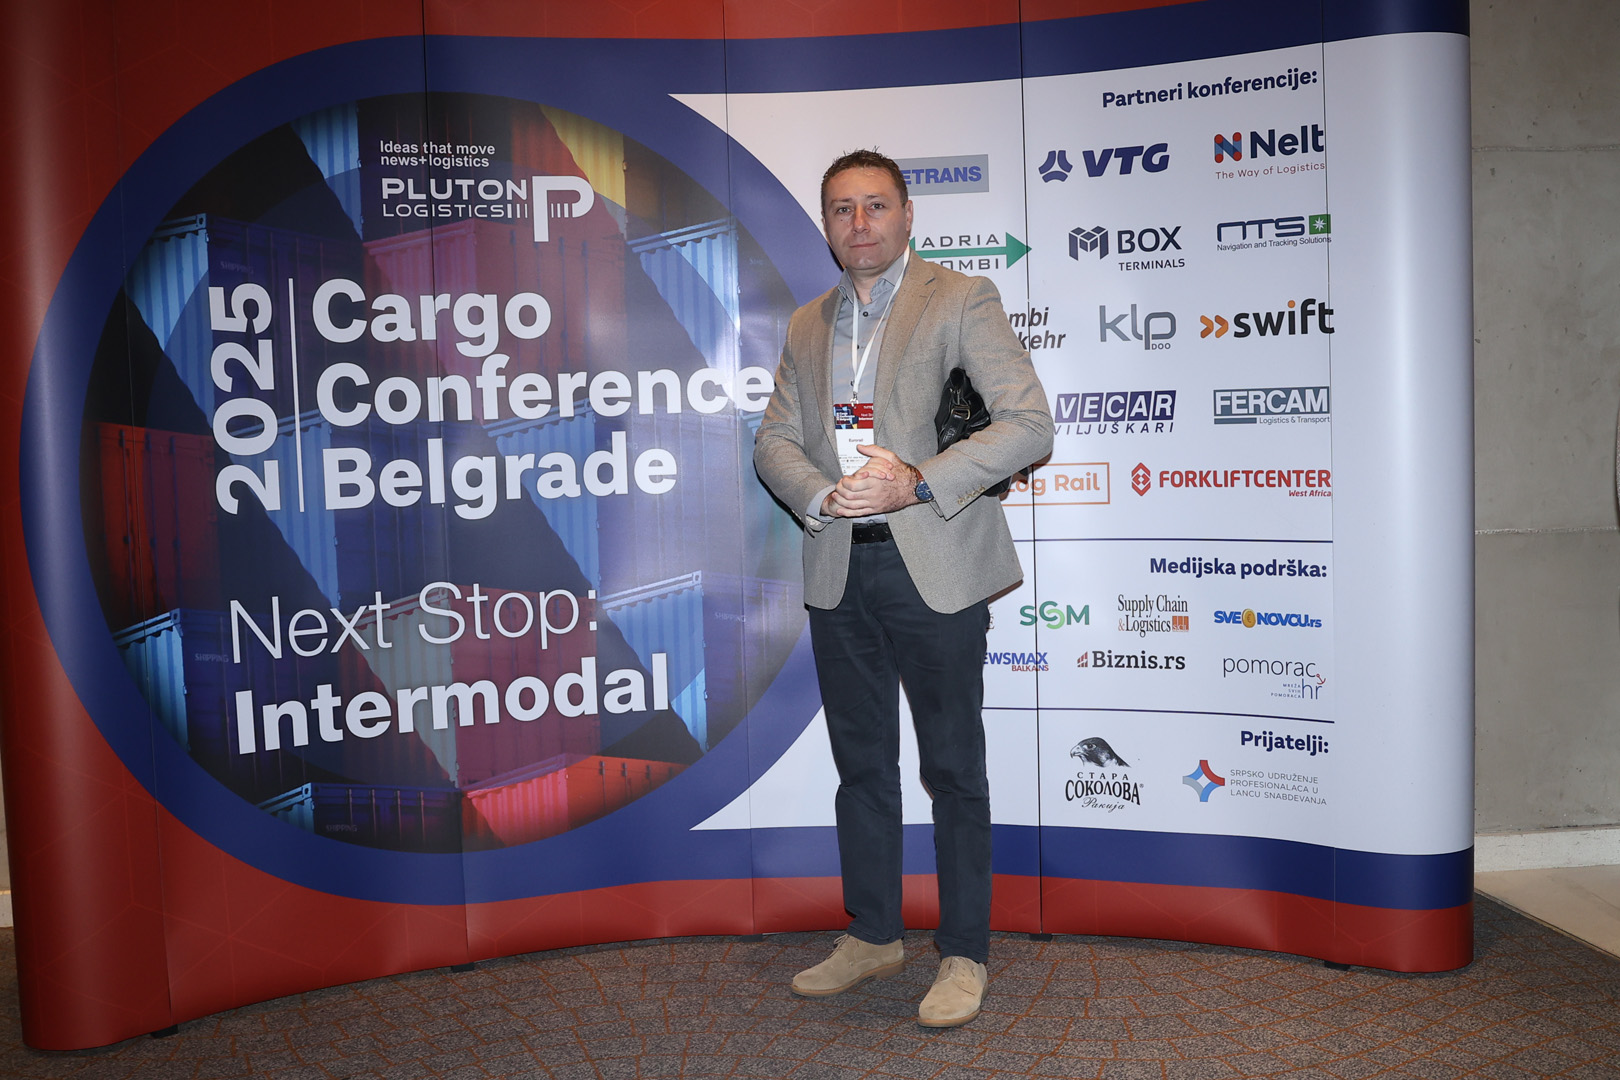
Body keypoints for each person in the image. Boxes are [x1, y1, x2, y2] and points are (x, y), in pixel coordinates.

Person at [753, 149, 1054, 1027]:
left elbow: (1029, 423)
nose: (860, 224)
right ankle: (874, 933)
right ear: (826, 224)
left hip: (937, 565)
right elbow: (774, 439)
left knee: (953, 768)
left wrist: (916, 482)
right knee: (861, 767)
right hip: (839, 563)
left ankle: (964, 952)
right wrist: (821, 495)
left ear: (908, 214)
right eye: (842, 208)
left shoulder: (959, 298)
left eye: (876, 205)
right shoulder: (807, 323)